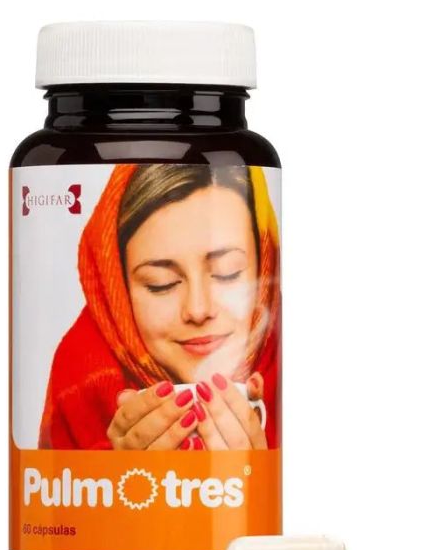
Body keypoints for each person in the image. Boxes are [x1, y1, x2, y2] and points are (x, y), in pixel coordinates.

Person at [38, 164, 280, 450]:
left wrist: (255, 471)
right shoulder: (79, 375)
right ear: (119, 294)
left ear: (264, 266)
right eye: (161, 284)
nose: (198, 310)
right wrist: (114, 471)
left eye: (227, 272)